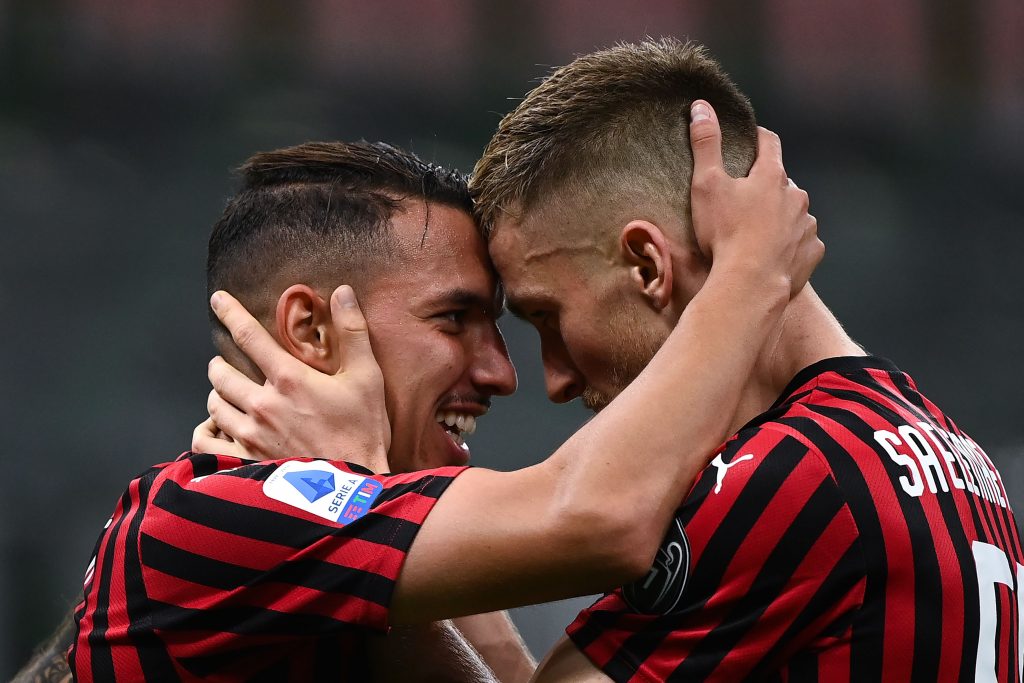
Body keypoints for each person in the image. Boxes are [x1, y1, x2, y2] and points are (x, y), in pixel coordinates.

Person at [211, 39, 1023, 682]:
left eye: (546, 317)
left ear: (647, 266)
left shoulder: (781, 483)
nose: (554, 378)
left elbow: (593, 518)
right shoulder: (945, 449)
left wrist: (357, 510)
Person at [67, 111, 819, 680]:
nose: (502, 372)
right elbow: (602, 520)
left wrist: (384, 499)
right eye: (454, 318)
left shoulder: (308, 528)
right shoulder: (208, 518)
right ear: (312, 329)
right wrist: (751, 275)